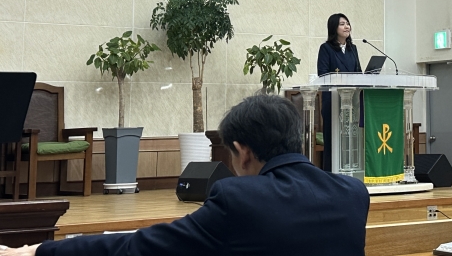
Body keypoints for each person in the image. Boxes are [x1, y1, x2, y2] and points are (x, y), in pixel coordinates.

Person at [3, 95, 369, 256]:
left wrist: (40, 251)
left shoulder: (241, 200)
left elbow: (139, 248)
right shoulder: (353, 193)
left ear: (242, 152)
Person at [317, 13, 362, 172]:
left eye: (348, 23)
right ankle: (331, 174)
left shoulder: (353, 49)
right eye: (342, 24)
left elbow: (358, 73)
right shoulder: (326, 48)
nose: (346, 26)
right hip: (333, 102)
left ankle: (351, 172)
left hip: (352, 103)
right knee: (333, 140)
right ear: (333, 28)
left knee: (351, 140)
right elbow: (323, 74)